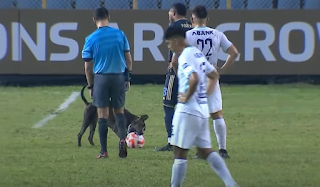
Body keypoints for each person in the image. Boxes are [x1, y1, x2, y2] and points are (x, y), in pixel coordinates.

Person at [163, 26, 239, 187]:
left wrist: (187, 96)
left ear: (176, 41)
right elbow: (213, 75)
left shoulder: (184, 56)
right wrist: (204, 94)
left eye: (169, 43)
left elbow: (194, 78)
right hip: (202, 111)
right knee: (206, 151)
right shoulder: (197, 53)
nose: (169, 47)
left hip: (187, 111)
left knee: (179, 152)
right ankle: (231, 184)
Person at [186, 5, 239, 159]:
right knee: (216, 113)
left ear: (192, 19)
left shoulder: (188, 35)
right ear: (207, 20)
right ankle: (222, 150)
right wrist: (221, 70)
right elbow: (234, 53)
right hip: (211, 76)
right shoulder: (217, 34)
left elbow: (177, 59)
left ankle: (201, 150)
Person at [82, 7, 133, 159]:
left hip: (101, 78)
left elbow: (87, 67)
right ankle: (123, 140)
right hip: (118, 77)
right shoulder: (120, 34)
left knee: (102, 115)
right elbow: (128, 60)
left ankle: (104, 151)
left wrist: (91, 85)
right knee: (119, 111)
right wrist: (127, 78)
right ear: (109, 17)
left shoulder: (90, 38)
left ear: (94, 20)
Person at [155, 3, 192, 152]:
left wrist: (173, 65)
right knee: (186, 106)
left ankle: (172, 141)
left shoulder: (173, 28)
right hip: (192, 71)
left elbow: (176, 52)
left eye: (170, 12)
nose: (168, 15)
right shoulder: (192, 26)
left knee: (168, 105)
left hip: (177, 71)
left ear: (174, 12)